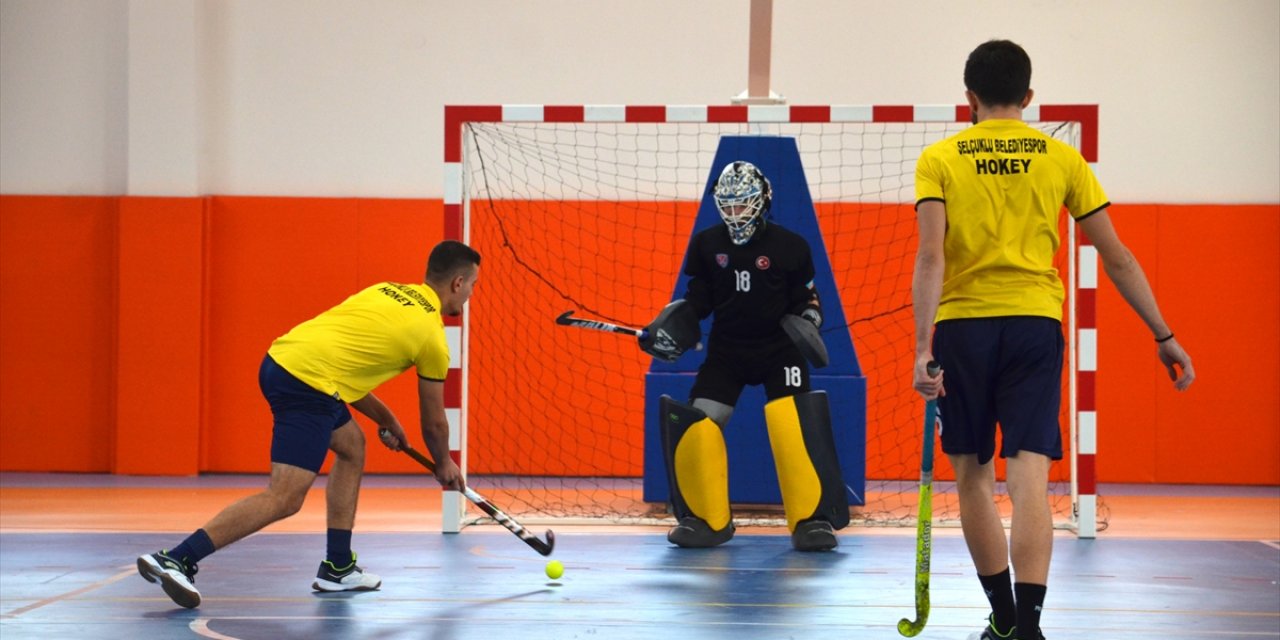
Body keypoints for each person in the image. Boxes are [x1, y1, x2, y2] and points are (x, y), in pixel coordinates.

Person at [911, 40, 1195, 640]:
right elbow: (1116, 257)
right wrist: (1163, 333)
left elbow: (931, 256)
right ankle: (1032, 628)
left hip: (963, 329)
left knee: (973, 477)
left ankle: (1005, 620)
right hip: (1036, 326)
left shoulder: (939, 159)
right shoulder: (1061, 159)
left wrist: (920, 347)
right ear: (1029, 96)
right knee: (1029, 479)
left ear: (969, 99)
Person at [136, 240, 479, 609]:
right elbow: (434, 424)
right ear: (458, 283)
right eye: (473, 285)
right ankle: (179, 558)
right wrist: (443, 462)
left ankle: (338, 566)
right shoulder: (432, 338)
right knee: (284, 497)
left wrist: (387, 419)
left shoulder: (387, 292)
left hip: (282, 362)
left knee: (352, 446)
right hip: (308, 384)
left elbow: (340, 365)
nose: (471, 295)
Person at [641, 160, 850, 552]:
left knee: (794, 422)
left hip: (780, 350)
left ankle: (813, 520)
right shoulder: (706, 244)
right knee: (701, 421)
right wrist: (667, 328)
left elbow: (808, 297)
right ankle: (705, 520)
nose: (736, 213)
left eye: (744, 204)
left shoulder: (791, 246)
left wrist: (810, 318)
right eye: (729, 205)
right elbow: (699, 298)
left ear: (763, 202)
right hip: (727, 351)